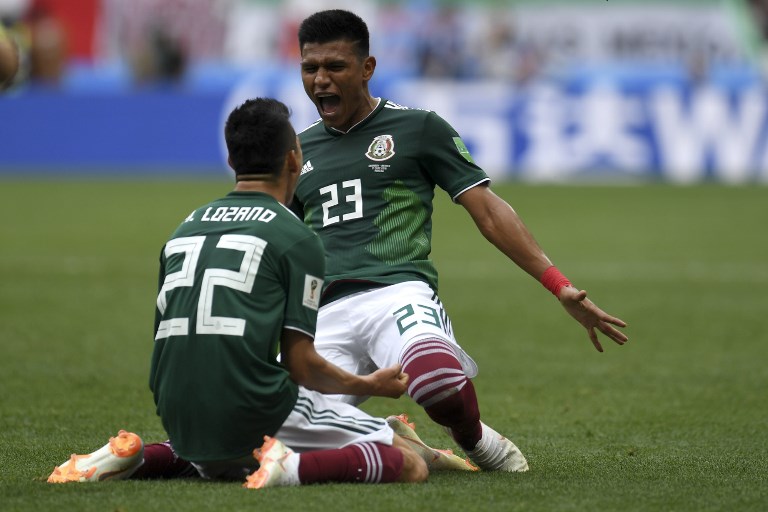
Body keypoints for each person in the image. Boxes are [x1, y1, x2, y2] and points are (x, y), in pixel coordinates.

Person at [290, 9, 629, 472]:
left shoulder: (418, 128)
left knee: (437, 383)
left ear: (367, 68)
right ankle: (397, 440)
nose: (321, 81)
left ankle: (474, 438)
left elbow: (488, 211)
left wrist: (557, 283)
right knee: (271, 434)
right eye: (311, 69)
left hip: (396, 294)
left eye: (335, 67)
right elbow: (280, 244)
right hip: (321, 314)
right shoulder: (294, 151)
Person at [47, 97, 430, 488]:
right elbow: (303, 367)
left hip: (178, 413)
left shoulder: (184, 229)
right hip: (254, 410)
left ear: (231, 161)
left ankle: (138, 457)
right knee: (409, 462)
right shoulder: (297, 238)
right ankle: (288, 469)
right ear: (294, 159)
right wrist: (370, 385)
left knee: (224, 454)